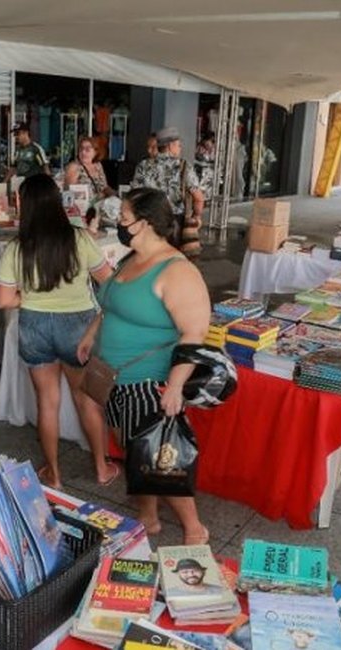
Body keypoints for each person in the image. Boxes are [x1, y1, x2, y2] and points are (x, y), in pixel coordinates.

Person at [76, 187, 211, 545]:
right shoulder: (129, 258)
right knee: (137, 453)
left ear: (146, 223)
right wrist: (91, 336)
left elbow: (194, 332)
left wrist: (178, 385)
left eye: (123, 218)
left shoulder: (177, 271)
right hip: (114, 378)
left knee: (162, 460)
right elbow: (109, 306)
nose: (117, 224)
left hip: (149, 382)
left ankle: (194, 530)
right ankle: (148, 517)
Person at [0, 174, 118, 489]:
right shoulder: (79, 238)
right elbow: (110, 281)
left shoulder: (16, 247)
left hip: (34, 325)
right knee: (85, 399)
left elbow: (5, 300)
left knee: (46, 402)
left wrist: (35, 296)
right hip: (77, 326)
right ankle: (102, 469)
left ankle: (54, 474)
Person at [132, 126, 205, 259]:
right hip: (175, 225)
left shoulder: (143, 165)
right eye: (178, 145)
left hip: (150, 223)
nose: (180, 148)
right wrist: (197, 216)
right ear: (170, 146)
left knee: (151, 260)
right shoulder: (184, 166)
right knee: (173, 261)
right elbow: (198, 198)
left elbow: (135, 196)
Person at [64, 135, 115, 201]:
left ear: (95, 152)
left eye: (87, 149)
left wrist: (113, 193)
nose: (83, 152)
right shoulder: (74, 167)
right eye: (81, 149)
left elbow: (104, 186)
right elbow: (68, 192)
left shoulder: (98, 165)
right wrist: (98, 196)